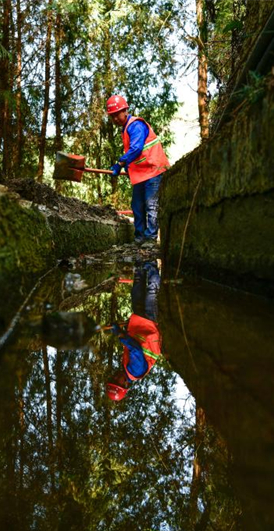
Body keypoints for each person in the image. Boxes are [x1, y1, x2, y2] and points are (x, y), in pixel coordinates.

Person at [106, 95, 171, 248]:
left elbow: (136, 148)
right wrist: (128, 168)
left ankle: (150, 239)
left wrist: (120, 163)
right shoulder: (126, 129)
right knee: (137, 206)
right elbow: (135, 155)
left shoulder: (135, 125)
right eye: (112, 116)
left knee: (151, 205)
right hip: (141, 174)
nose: (115, 118)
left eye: (118, 113)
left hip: (154, 170)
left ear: (125, 110)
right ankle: (139, 238)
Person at [105, 261, 162, 401]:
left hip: (139, 324)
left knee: (136, 290)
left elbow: (134, 345)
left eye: (112, 378)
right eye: (116, 381)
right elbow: (135, 349)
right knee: (151, 291)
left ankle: (140, 263)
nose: (115, 376)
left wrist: (125, 331)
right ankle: (152, 263)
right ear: (125, 385)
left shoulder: (126, 369)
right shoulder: (134, 372)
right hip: (149, 325)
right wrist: (120, 334)